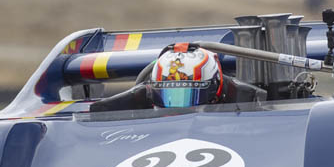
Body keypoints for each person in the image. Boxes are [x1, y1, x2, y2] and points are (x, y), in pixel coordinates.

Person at [90, 43, 263, 112]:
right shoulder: (135, 103)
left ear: (214, 91)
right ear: (151, 92)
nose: (179, 109)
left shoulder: (248, 105)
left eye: (189, 96)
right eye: (169, 97)